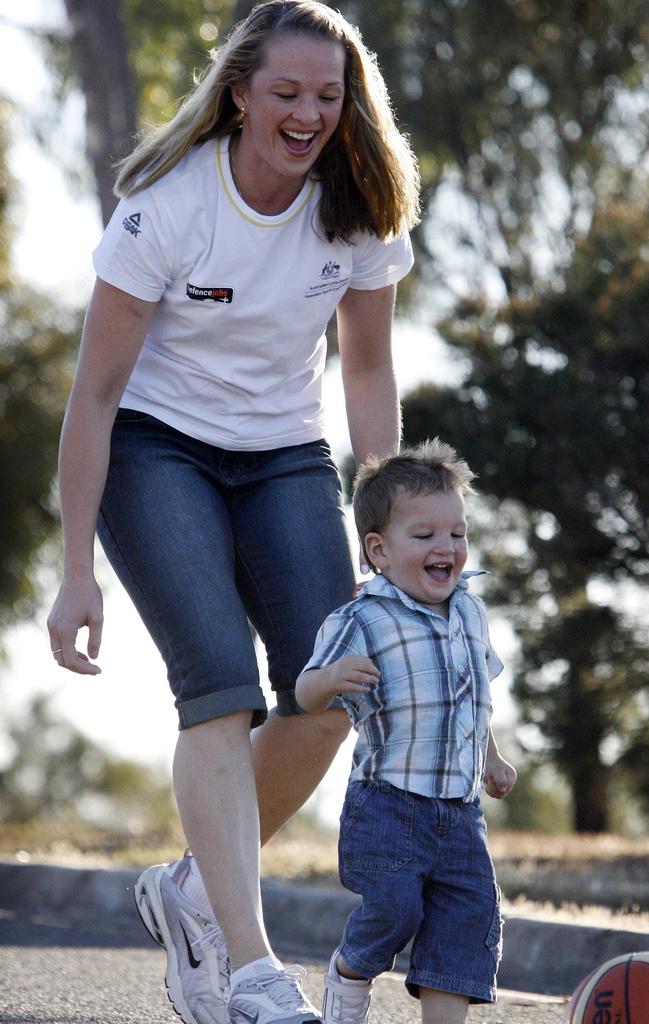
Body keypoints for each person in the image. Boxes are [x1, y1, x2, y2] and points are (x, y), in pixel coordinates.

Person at [46, 3, 420, 1023]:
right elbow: (93, 395)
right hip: (156, 451)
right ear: (242, 94)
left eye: (328, 97)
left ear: (350, 107)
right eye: (288, 93)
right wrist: (76, 567)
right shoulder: (168, 208)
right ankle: (250, 966)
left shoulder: (358, 206)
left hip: (285, 456)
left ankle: (192, 887)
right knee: (218, 686)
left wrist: (385, 524)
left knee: (333, 692)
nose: (307, 114)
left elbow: (372, 366)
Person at [295, 440, 517, 1024]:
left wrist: (490, 757)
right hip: (388, 806)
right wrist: (331, 678)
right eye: (424, 537)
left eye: (457, 534)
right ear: (379, 550)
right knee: (394, 910)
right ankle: (350, 972)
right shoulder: (363, 617)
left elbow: (476, 698)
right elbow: (304, 690)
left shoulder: (470, 612)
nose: (446, 548)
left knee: (466, 916)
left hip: (460, 811)